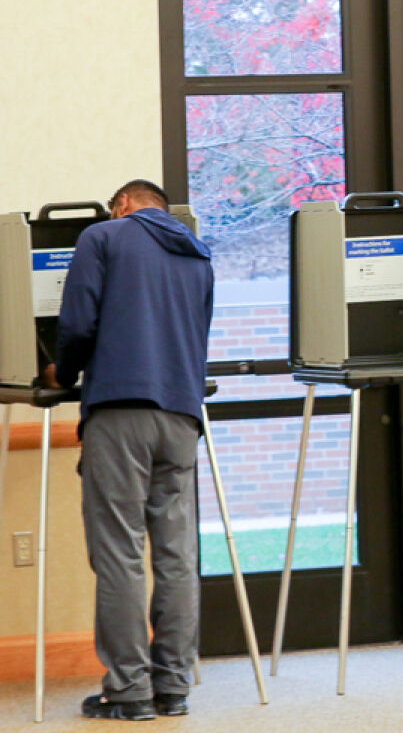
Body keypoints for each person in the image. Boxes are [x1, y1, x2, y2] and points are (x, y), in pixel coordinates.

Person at [43, 179, 214, 719]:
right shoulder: (198, 254)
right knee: (177, 556)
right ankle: (173, 687)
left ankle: (129, 692)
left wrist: (60, 372)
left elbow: (77, 323)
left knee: (119, 554)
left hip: (120, 410)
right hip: (182, 415)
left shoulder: (104, 237)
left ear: (122, 206)